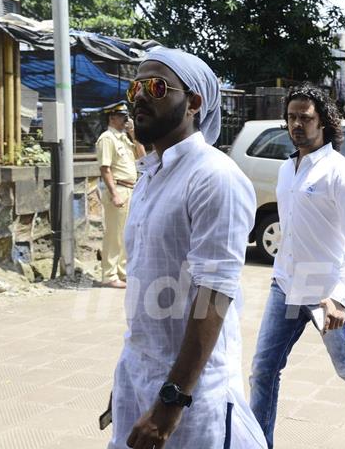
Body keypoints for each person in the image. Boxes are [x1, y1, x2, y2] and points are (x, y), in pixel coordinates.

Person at [108, 47, 266, 449]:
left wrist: (169, 405)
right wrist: (127, 381)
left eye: (156, 86)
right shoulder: (149, 176)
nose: (140, 96)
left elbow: (213, 295)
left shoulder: (214, 178)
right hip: (139, 377)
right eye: (136, 87)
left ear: (193, 103)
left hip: (192, 400)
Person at [249, 84, 345, 449]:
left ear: (324, 122)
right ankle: (257, 443)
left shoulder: (341, 172)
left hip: (327, 292)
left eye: (306, 118)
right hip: (285, 285)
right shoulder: (287, 169)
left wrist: (340, 298)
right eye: (292, 117)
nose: (297, 124)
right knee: (263, 371)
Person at [96, 102, 145, 289]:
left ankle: (123, 272)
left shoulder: (124, 138)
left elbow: (142, 158)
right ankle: (109, 274)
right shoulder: (107, 138)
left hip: (131, 189)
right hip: (118, 188)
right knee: (114, 234)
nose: (126, 120)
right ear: (112, 118)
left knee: (127, 234)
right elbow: (105, 168)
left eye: (127, 117)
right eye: (122, 117)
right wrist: (114, 194)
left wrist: (135, 135)